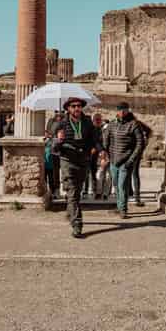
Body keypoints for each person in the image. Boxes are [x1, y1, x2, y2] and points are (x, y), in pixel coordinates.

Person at [53, 97, 99, 238]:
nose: (77, 108)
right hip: (67, 160)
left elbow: (94, 140)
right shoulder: (61, 124)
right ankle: (77, 224)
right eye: (73, 106)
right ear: (68, 108)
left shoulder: (87, 123)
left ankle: (70, 211)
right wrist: (58, 141)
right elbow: (54, 149)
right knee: (73, 192)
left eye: (79, 106)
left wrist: (100, 151)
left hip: (82, 161)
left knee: (76, 193)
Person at [102, 102, 145, 218]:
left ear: (128, 110)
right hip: (113, 160)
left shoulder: (134, 124)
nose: (122, 112)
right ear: (117, 111)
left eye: (124, 110)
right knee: (115, 184)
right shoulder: (111, 125)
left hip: (126, 160)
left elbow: (140, 143)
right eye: (120, 110)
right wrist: (105, 154)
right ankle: (119, 206)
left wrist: (131, 159)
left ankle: (123, 209)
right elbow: (106, 141)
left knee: (122, 185)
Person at [130, 119, 152, 206]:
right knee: (133, 173)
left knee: (133, 173)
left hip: (134, 151)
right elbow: (149, 131)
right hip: (132, 151)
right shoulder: (137, 123)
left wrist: (144, 143)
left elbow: (149, 131)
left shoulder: (136, 123)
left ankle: (136, 196)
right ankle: (133, 194)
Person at [45, 110, 64, 198]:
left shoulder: (65, 121)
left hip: (63, 149)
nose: (59, 113)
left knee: (64, 172)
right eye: (57, 112)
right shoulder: (51, 121)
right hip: (53, 150)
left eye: (61, 112)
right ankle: (55, 190)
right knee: (54, 172)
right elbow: (48, 132)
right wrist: (51, 137)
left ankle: (62, 190)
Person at [87, 113, 106, 198]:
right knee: (90, 174)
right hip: (91, 154)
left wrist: (102, 151)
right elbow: (93, 141)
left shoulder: (104, 129)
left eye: (99, 119)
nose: (98, 121)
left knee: (100, 174)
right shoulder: (90, 129)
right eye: (96, 119)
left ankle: (99, 192)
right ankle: (89, 190)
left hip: (101, 154)